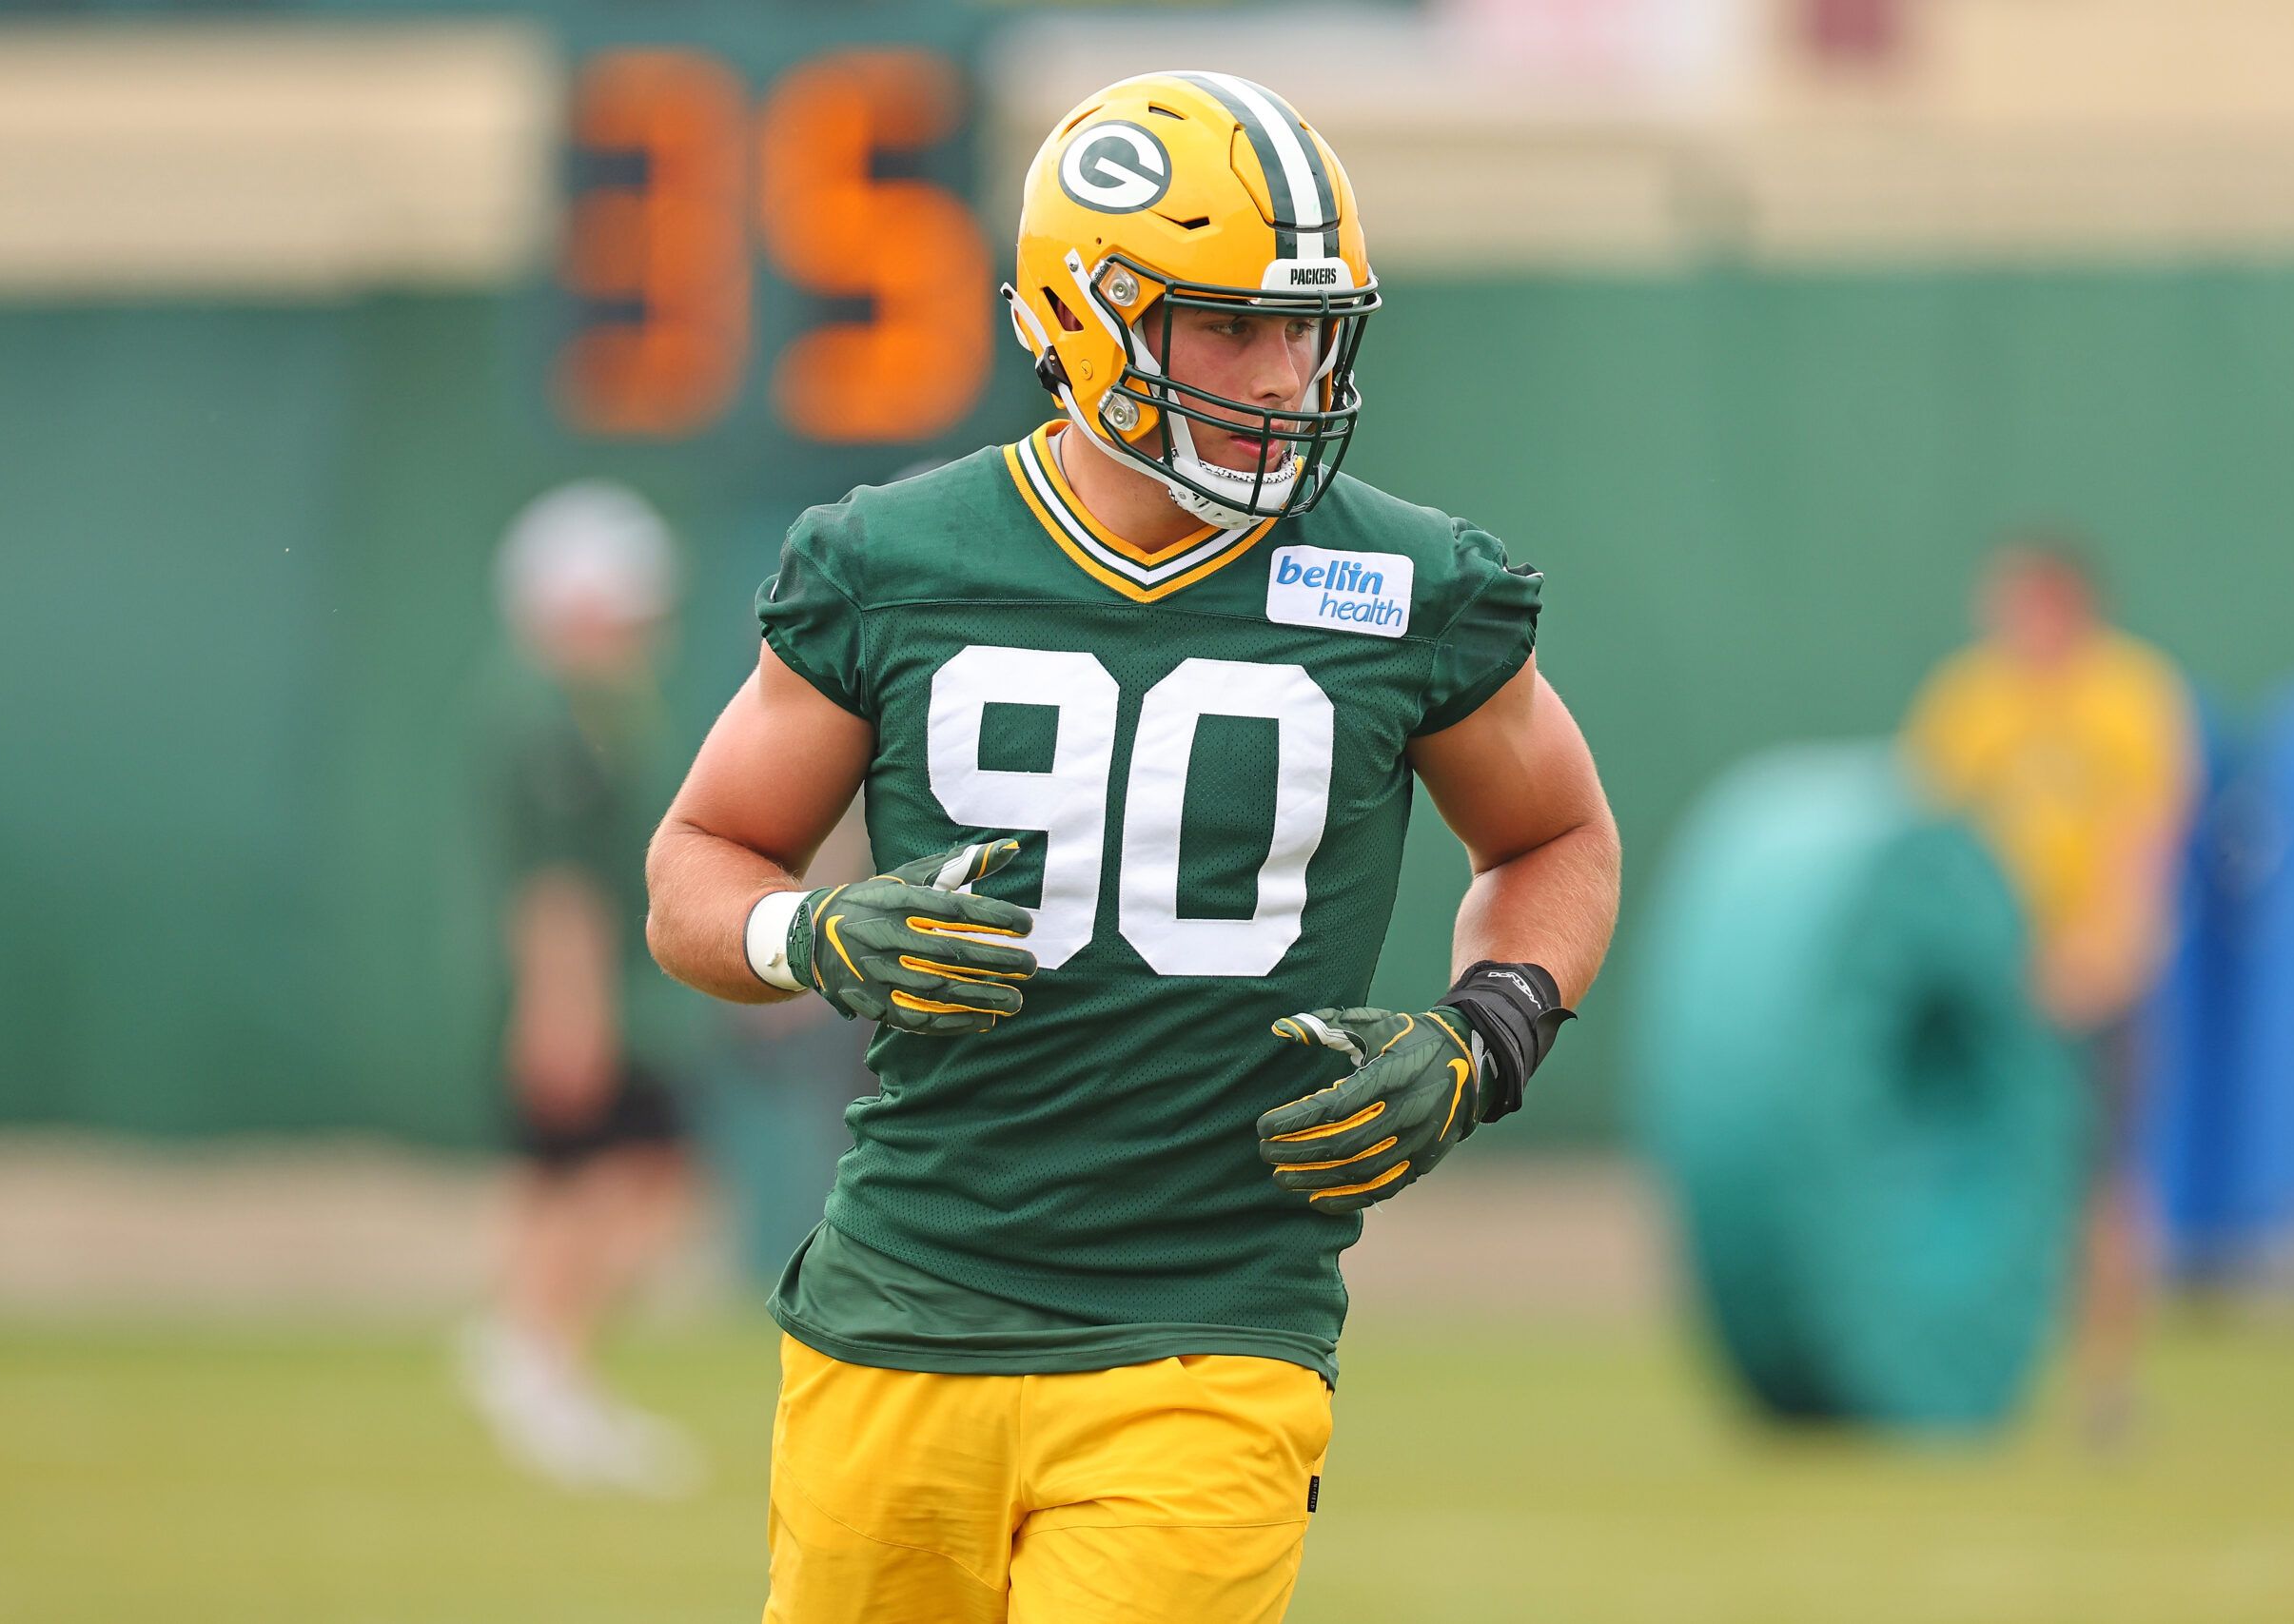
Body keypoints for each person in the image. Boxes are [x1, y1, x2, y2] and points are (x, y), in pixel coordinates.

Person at [647, 72, 1620, 1622]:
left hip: (1212, 1323)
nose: (1288, 376)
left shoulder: (1411, 582)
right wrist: (810, 935)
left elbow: (1560, 832)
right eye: (1233, 325)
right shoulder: (890, 564)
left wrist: (1487, 1034)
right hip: (902, 1304)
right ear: (1085, 318)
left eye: (1309, 329)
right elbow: (697, 860)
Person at [1903, 534, 2198, 1445]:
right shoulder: (1967, 700)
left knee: (2104, 1182)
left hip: (2099, 984)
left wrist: (2093, 957)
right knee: (1972, 1174)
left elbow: (2147, 841)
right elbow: (1931, 839)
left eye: (2023, 606)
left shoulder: (2134, 696)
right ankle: (1965, 1369)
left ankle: (2106, 1387)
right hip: (1991, 990)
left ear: (2066, 605)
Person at [461, 479, 701, 1495]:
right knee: (619, 1179)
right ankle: (535, 1360)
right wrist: (568, 1013)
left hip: (616, 991)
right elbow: (558, 890)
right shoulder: (550, 718)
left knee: (606, 1182)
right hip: (593, 996)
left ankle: (542, 1361)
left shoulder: (598, 711)